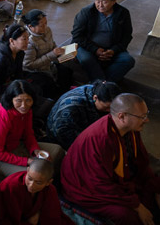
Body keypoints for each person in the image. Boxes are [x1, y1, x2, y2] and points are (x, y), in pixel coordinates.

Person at [61, 93, 160, 225]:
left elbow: (140, 162)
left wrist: (153, 184)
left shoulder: (131, 129)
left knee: (153, 187)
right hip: (86, 188)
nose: (147, 120)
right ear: (122, 116)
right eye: (142, 117)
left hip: (118, 179)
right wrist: (136, 205)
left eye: (146, 114)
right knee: (125, 215)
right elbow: (99, 184)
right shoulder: (100, 139)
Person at [0, 80, 64, 180]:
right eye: (19, 101)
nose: (24, 105)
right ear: (11, 100)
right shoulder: (0, 117)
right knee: (29, 175)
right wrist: (27, 161)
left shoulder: (27, 111)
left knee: (57, 150)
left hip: (15, 145)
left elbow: (28, 134)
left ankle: (51, 181)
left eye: (28, 100)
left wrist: (35, 150)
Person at [71, 0, 135, 82]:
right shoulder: (86, 12)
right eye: (97, 1)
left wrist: (113, 50)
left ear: (114, 1)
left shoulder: (122, 13)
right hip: (87, 46)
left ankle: (99, 84)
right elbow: (77, 36)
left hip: (111, 48)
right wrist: (95, 49)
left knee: (128, 60)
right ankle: (104, 85)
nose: (100, 5)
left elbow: (127, 36)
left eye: (104, 2)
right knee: (86, 59)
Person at [46, 80, 122, 149]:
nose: (110, 111)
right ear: (95, 98)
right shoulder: (72, 108)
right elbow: (63, 134)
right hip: (62, 138)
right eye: (107, 107)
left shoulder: (97, 90)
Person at [0, 158, 70, 225]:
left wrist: (39, 215)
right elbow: (4, 217)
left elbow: (53, 216)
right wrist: (29, 223)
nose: (31, 185)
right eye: (29, 178)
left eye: (38, 183)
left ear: (48, 182)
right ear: (27, 170)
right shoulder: (11, 186)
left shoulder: (50, 190)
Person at [21, 9, 72, 98]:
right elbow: (29, 65)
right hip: (37, 71)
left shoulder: (47, 30)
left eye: (46, 23)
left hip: (49, 64)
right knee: (49, 85)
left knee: (67, 72)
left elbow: (52, 44)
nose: (45, 27)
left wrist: (58, 51)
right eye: (41, 25)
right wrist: (52, 55)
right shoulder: (28, 42)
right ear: (30, 26)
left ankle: (65, 94)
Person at [0, 24, 29, 104]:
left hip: (9, 82)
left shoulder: (20, 52)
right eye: (24, 39)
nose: (28, 42)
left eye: (28, 38)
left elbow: (18, 73)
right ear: (12, 41)